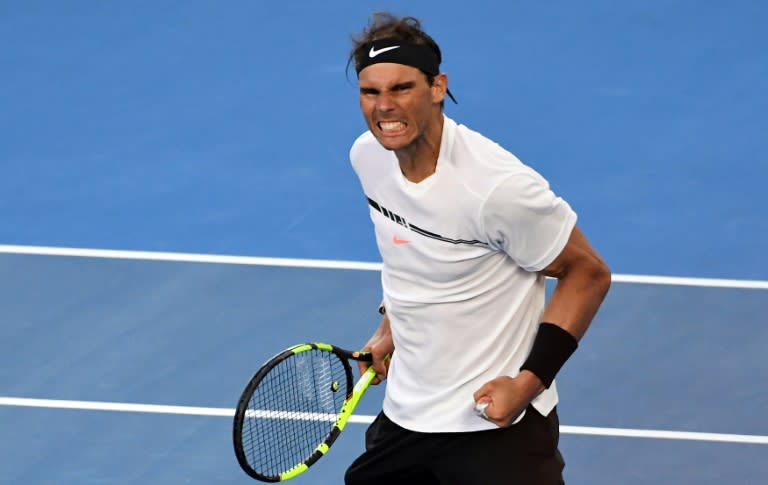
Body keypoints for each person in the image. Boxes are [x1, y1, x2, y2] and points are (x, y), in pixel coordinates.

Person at [344, 12, 611, 485]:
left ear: (437, 86)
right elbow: (409, 254)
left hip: (494, 424)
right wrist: (390, 326)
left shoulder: (496, 188)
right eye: (371, 91)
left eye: (401, 88)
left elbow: (587, 273)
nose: (384, 107)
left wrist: (527, 385)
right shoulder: (369, 157)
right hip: (407, 416)